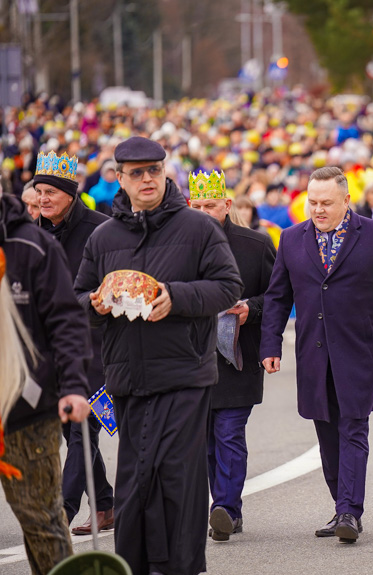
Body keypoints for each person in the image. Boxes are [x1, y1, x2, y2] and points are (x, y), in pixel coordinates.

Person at [75, 136, 243, 575]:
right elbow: (76, 298)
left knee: (177, 479)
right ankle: (136, 565)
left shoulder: (198, 227)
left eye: (154, 170)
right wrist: (91, 304)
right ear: (120, 179)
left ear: (165, 172)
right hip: (127, 377)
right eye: (137, 173)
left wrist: (176, 297)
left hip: (185, 372)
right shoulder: (103, 237)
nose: (147, 179)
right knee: (134, 483)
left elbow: (228, 286)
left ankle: (183, 567)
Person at [260, 166, 373, 544]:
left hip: (359, 351)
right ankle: (342, 506)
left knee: (353, 426)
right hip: (313, 353)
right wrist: (269, 345)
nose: (318, 210)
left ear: (346, 200)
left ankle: (350, 510)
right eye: (312, 202)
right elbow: (276, 298)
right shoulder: (289, 239)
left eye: (326, 203)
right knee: (326, 431)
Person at [0, 190, 92, 575]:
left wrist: (73, 386)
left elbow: (66, 321)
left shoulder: (32, 247)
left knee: (41, 521)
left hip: (27, 410)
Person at [189, 169, 276, 542]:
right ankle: (223, 506)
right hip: (191, 359)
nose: (205, 211)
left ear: (227, 205)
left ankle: (225, 507)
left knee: (227, 432)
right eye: (197, 206)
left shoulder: (256, 245)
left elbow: (278, 296)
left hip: (239, 357)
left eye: (212, 205)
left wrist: (250, 308)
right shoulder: (177, 245)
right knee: (206, 437)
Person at [32, 151, 115, 534]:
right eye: (39, 192)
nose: (43, 199)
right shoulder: (34, 232)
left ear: (70, 193)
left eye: (51, 192)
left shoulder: (101, 230)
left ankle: (62, 508)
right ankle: (106, 504)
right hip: (51, 346)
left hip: (95, 342)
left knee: (86, 426)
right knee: (73, 428)